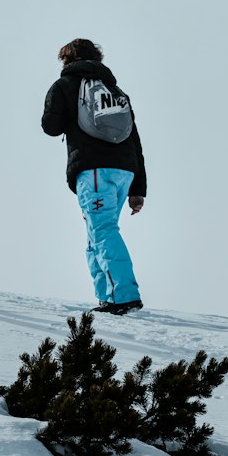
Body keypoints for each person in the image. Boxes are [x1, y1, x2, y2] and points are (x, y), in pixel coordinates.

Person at [41, 38, 146, 315]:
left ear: (66, 60)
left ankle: (125, 296)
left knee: (102, 231)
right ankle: (108, 297)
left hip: (93, 170)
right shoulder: (116, 90)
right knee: (94, 234)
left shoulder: (65, 86)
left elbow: (50, 126)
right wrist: (139, 189)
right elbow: (134, 140)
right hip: (124, 171)